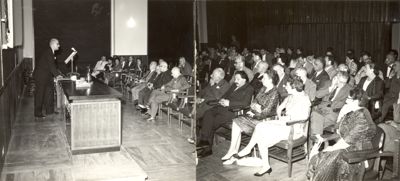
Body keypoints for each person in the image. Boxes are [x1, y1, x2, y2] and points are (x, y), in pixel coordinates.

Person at [234, 76, 311, 176]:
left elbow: (305, 117)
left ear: (293, 87)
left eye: (286, 85)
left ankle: (258, 158)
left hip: (295, 128)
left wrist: (288, 118)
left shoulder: (305, 99)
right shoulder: (290, 96)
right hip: (284, 124)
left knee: (262, 133)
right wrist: (280, 115)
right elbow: (279, 109)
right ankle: (261, 161)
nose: (284, 86)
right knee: (260, 126)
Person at [307, 88, 377, 181]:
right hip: (348, 147)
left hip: (359, 153)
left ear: (358, 100)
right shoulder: (352, 112)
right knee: (324, 156)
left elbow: (349, 139)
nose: (346, 101)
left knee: (328, 158)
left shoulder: (362, 115)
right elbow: (341, 133)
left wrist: (333, 148)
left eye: (348, 99)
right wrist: (324, 139)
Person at [221, 70, 280, 163]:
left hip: (266, 121)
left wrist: (256, 111)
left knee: (238, 123)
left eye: (264, 78)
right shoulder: (263, 89)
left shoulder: (275, 93)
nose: (262, 80)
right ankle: (232, 150)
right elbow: (253, 103)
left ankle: (234, 154)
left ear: (270, 79)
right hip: (256, 117)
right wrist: (256, 109)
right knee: (236, 121)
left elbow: (266, 112)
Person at [197, 71, 254, 158]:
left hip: (232, 111)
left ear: (244, 79)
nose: (235, 81)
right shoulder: (234, 85)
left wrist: (229, 103)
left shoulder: (249, 88)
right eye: (235, 79)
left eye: (238, 79)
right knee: (208, 113)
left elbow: (245, 103)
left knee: (209, 123)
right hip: (222, 107)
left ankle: (206, 147)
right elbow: (225, 94)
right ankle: (204, 141)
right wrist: (222, 100)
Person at [33, 38, 63, 118]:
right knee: (40, 94)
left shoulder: (50, 52)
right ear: (53, 44)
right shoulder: (48, 52)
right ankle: (37, 113)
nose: (59, 46)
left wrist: (56, 74)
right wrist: (57, 75)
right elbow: (51, 66)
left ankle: (50, 111)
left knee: (49, 93)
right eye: (58, 44)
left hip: (47, 76)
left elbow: (51, 66)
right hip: (41, 76)